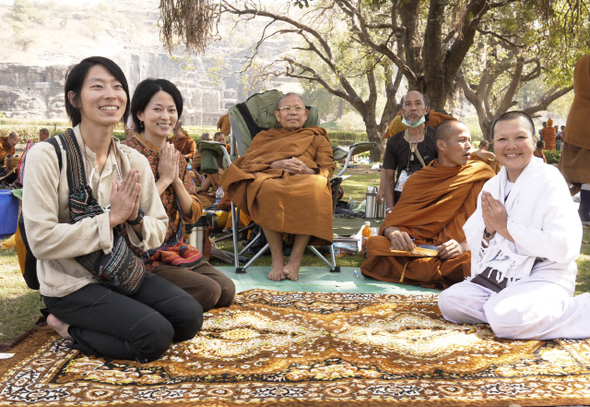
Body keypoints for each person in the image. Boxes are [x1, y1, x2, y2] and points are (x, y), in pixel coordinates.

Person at [22, 57, 203, 362]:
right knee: (154, 336)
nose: (110, 94)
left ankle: (117, 314)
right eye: (97, 86)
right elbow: (40, 241)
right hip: (70, 284)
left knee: (188, 317)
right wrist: (111, 219)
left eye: (117, 87)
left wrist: (134, 217)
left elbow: (157, 228)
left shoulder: (133, 161)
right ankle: (65, 326)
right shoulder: (48, 156)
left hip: (121, 272)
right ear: (75, 98)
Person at [438, 111, 589, 340]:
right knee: (450, 302)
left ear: (532, 140)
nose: (511, 146)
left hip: (544, 273)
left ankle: (579, 310)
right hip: (502, 272)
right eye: (502, 140)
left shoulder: (550, 179)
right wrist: (490, 231)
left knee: (505, 320)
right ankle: (514, 309)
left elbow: (564, 247)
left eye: (520, 138)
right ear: (493, 144)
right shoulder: (492, 185)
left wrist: (505, 227)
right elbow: (479, 234)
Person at [124, 78, 235, 311]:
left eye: (171, 110)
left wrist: (175, 179)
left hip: (171, 248)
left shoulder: (173, 155)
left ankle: (169, 296)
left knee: (226, 289)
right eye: (157, 109)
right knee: (208, 291)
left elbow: (193, 213)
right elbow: (129, 209)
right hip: (138, 252)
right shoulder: (127, 155)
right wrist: (164, 179)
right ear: (140, 114)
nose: (166, 116)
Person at [361, 120, 495, 289]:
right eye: (462, 141)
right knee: (376, 244)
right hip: (419, 247)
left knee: (474, 260)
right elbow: (393, 222)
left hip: (458, 251)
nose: (469, 146)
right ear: (441, 145)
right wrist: (394, 234)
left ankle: (420, 271)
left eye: (470, 140)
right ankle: (438, 272)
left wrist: (464, 246)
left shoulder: (480, 174)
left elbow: (494, 227)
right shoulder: (419, 179)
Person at [221, 92, 335, 281]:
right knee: (266, 190)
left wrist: (307, 170)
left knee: (316, 187)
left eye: (297, 108)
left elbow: (327, 168)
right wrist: (273, 165)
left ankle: (295, 260)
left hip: (306, 179)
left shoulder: (317, 137)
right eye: (287, 109)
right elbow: (248, 163)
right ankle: (277, 258)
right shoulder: (264, 138)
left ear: (305, 115)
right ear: (277, 115)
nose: (292, 113)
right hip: (272, 178)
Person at [379, 91, 439, 212]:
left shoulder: (437, 138)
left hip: (430, 203)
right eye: (407, 104)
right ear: (401, 111)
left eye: (418, 104)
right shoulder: (393, 142)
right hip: (401, 202)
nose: (412, 108)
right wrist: (390, 209)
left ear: (426, 110)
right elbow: (389, 178)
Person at [559, 54, 590, 223]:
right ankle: (584, 209)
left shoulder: (582, 61)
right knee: (587, 171)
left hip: (577, 120)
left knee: (570, 171)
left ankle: (560, 210)